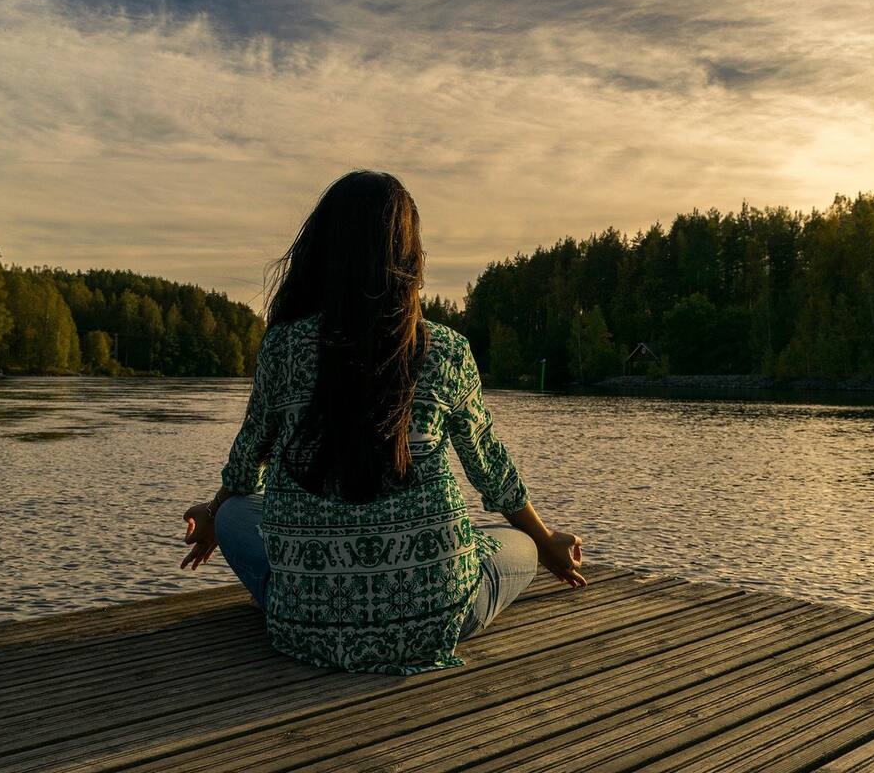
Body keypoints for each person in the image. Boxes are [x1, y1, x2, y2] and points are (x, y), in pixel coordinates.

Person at [180, 170, 585, 675]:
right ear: (410, 258)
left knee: (239, 512)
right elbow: (492, 473)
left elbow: (246, 463)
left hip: (305, 627)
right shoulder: (446, 350)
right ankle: (476, 567)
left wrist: (216, 512)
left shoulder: (283, 346)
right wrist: (548, 544)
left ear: (323, 250)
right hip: (436, 618)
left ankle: (304, 597)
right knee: (519, 543)